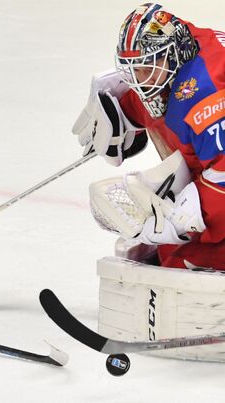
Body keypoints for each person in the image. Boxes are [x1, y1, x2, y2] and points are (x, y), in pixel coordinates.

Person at [72, 3, 225, 269]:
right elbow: (162, 102)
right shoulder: (183, 49)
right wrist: (122, 111)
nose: (140, 80)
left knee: (182, 261)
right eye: (134, 69)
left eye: (145, 69)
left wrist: (187, 218)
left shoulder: (207, 98)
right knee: (168, 251)